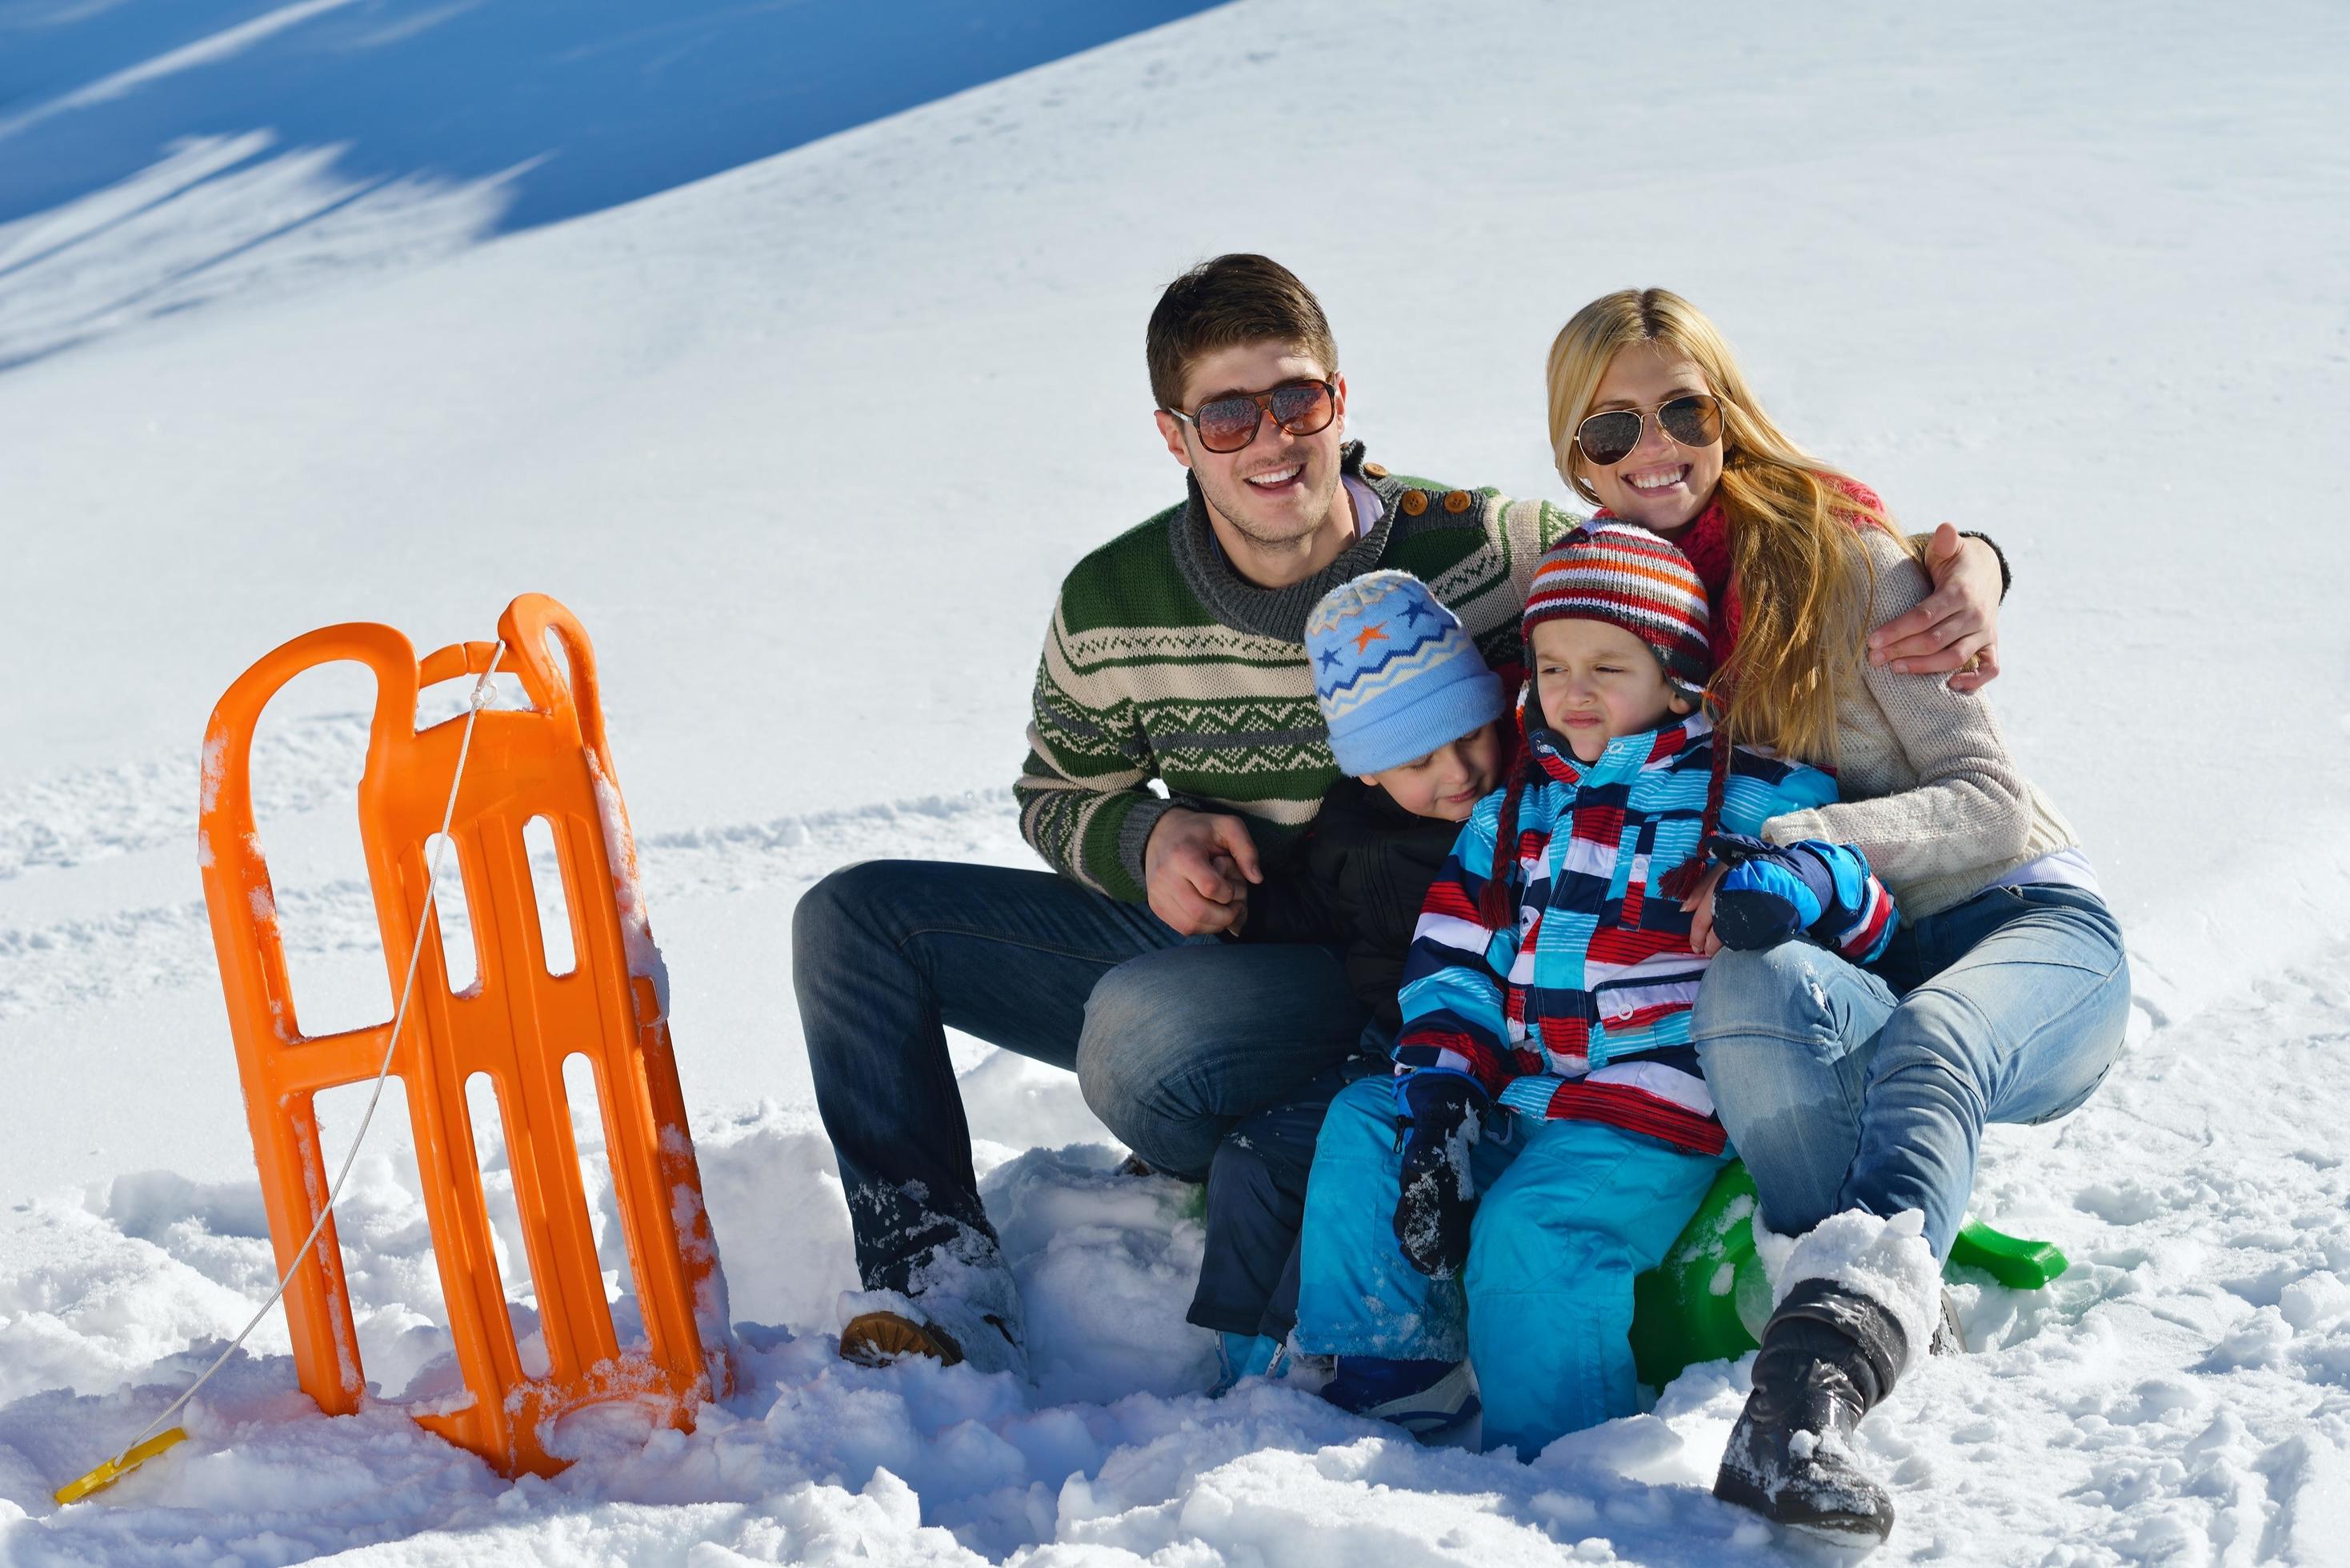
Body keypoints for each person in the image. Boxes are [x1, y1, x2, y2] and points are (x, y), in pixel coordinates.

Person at [790, 254, 2008, 1377]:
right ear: (1176, 435)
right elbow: (1059, 791)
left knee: (1148, 1037)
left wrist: (1968, 565)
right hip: (1227, 933)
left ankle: (1305, 1137)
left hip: (1428, 954)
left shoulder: (1487, 545)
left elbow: (1681, 560)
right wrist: (1140, 841)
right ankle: (940, 1288)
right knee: (856, 919)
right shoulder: (1110, 602)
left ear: (1339, 397)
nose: (1270, 439)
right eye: (1227, 415)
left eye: (1297, 401)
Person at [1543, 288, 2129, 1542]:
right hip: (1853, 951)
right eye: (1610, 430)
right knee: (1742, 990)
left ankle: (1811, 1387)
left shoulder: (1845, 561)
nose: (1654, 447)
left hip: (2016, 924)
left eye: (1683, 409)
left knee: (1934, 1045)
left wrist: (1791, 836)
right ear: (1568, 454)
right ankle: (1873, 1310)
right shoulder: (1607, 603)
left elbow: (1987, 806)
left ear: (1728, 412)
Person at [1290, 524, 1896, 1459]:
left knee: (1539, 1230)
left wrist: (1799, 884)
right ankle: (1393, 1371)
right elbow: (1454, 965)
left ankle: (1559, 1455)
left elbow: (1868, 913)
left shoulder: (1747, 793)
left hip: (1647, 1107)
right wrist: (1443, 1093)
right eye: (1553, 666)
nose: (1574, 691)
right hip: (1521, 1091)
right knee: (1370, 1119)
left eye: (1608, 667)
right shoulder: (1509, 815)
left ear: (1678, 675)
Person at [1187, 569, 1509, 1389]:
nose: (1461, 770)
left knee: (1354, 1159)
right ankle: (1240, 1362)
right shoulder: (1350, 828)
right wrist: (1243, 911)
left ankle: (1324, 1364)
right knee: (1251, 1160)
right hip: (1384, 1045)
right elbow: (1316, 910)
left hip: (1484, 1058)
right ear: (1367, 770)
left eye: (1473, 733)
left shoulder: (1528, 808)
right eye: (1418, 759)